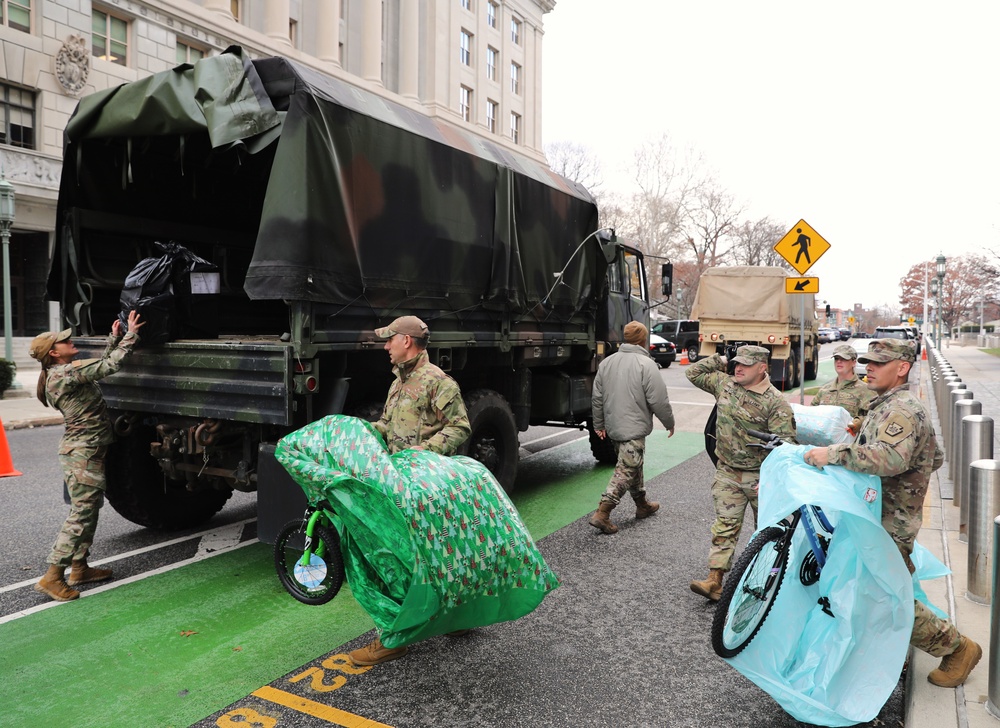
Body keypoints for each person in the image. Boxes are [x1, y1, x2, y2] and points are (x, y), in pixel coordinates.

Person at [804, 338, 982, 688]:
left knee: (885, 596)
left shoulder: (901, 409)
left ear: (902, 368)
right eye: (866, 362)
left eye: (877, 363)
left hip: (889, 521)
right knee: (883, 588)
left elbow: (890, 458)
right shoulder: (887, 405)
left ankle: (957, 647)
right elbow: (934, 457)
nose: (867, 367)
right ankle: (888, 651)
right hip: (881, 515)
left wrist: (836, 453)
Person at [350, 314, 471, 666]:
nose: (385, 346)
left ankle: (395, 638)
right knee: (423, 555)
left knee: (407, 558)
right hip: (398, 484)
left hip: (425, 485)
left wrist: (426, 450)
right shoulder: (398, 383)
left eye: (389, 339)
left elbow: (461, 426)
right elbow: (388, 425)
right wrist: (364, 432)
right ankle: (453, 617)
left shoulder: (437, 382)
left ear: (406, 341)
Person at [30, 311, 144, 602]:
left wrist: (113, 338)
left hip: (85, 450)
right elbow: (109, 366)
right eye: (65, 342)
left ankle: (79, 567)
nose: (71, 342)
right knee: (81, 513)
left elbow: (96, 366)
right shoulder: (64, 373)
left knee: (89, 509)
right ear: (54, 354)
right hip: (82, 453)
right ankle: (52, 576)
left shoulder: (62, 372)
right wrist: (130, 335)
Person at [686, 345, 796, 600]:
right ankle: (715, 580)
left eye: (745, 364)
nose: (738, 367)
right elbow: (693, 373)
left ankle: (763, 582)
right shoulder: (725, 384)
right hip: (727, 472)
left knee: (766, 530)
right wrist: (721, 357)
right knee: (725, 525)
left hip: (760, 476)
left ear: (762, 368)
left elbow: (786, 446)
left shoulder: (775, 401)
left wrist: (771, 480)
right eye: (736, 363)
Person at [588, 321, 675, 534]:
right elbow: (658, 399)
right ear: (643, 340)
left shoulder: (607, 363)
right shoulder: (646, 364)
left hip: (614, 426)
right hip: (634, 426)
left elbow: (597, 397)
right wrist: (669, 422)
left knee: (633, 463)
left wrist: (599, 423)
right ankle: (603, 513)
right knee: (627, 468)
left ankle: (642, 505)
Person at [810, 343, 874, 434]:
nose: (839, 362)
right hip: (822, 442)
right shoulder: (825, 390)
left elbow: (874, 418)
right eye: (836, 359)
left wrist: (858, 423)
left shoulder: (865, 390)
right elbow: (811, 412)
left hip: (849, 444)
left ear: (854, 362)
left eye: (843, 359)